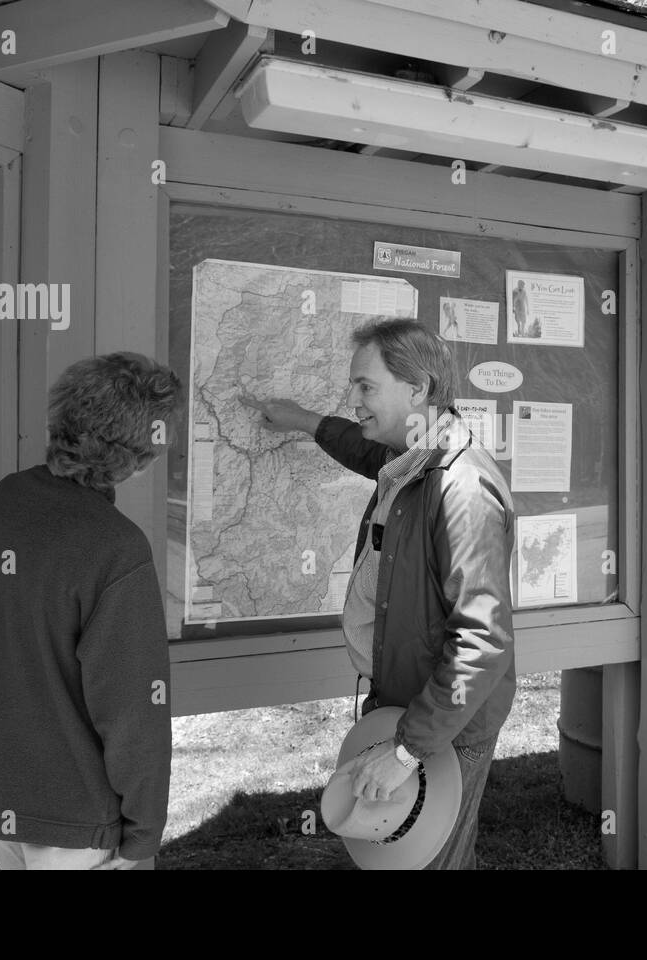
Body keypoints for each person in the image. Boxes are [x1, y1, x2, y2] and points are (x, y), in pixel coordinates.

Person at [248, 319, 516, 870]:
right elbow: (360, 447)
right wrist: (303, 421)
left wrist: (406, 750)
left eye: (366, 387)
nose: (354, 399)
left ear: (417, 389)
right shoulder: (410, 458)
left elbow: (481, 640)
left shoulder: (460, 489)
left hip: (444, 723)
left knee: (428, 862)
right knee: (396, 857)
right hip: (405, 704)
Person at [0, 352, 184, 870]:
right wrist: (143, 834)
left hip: (0, 803)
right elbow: (133, 712)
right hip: (77, 823)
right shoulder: (116, 547)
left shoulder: (3, 502)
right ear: (139, 453)